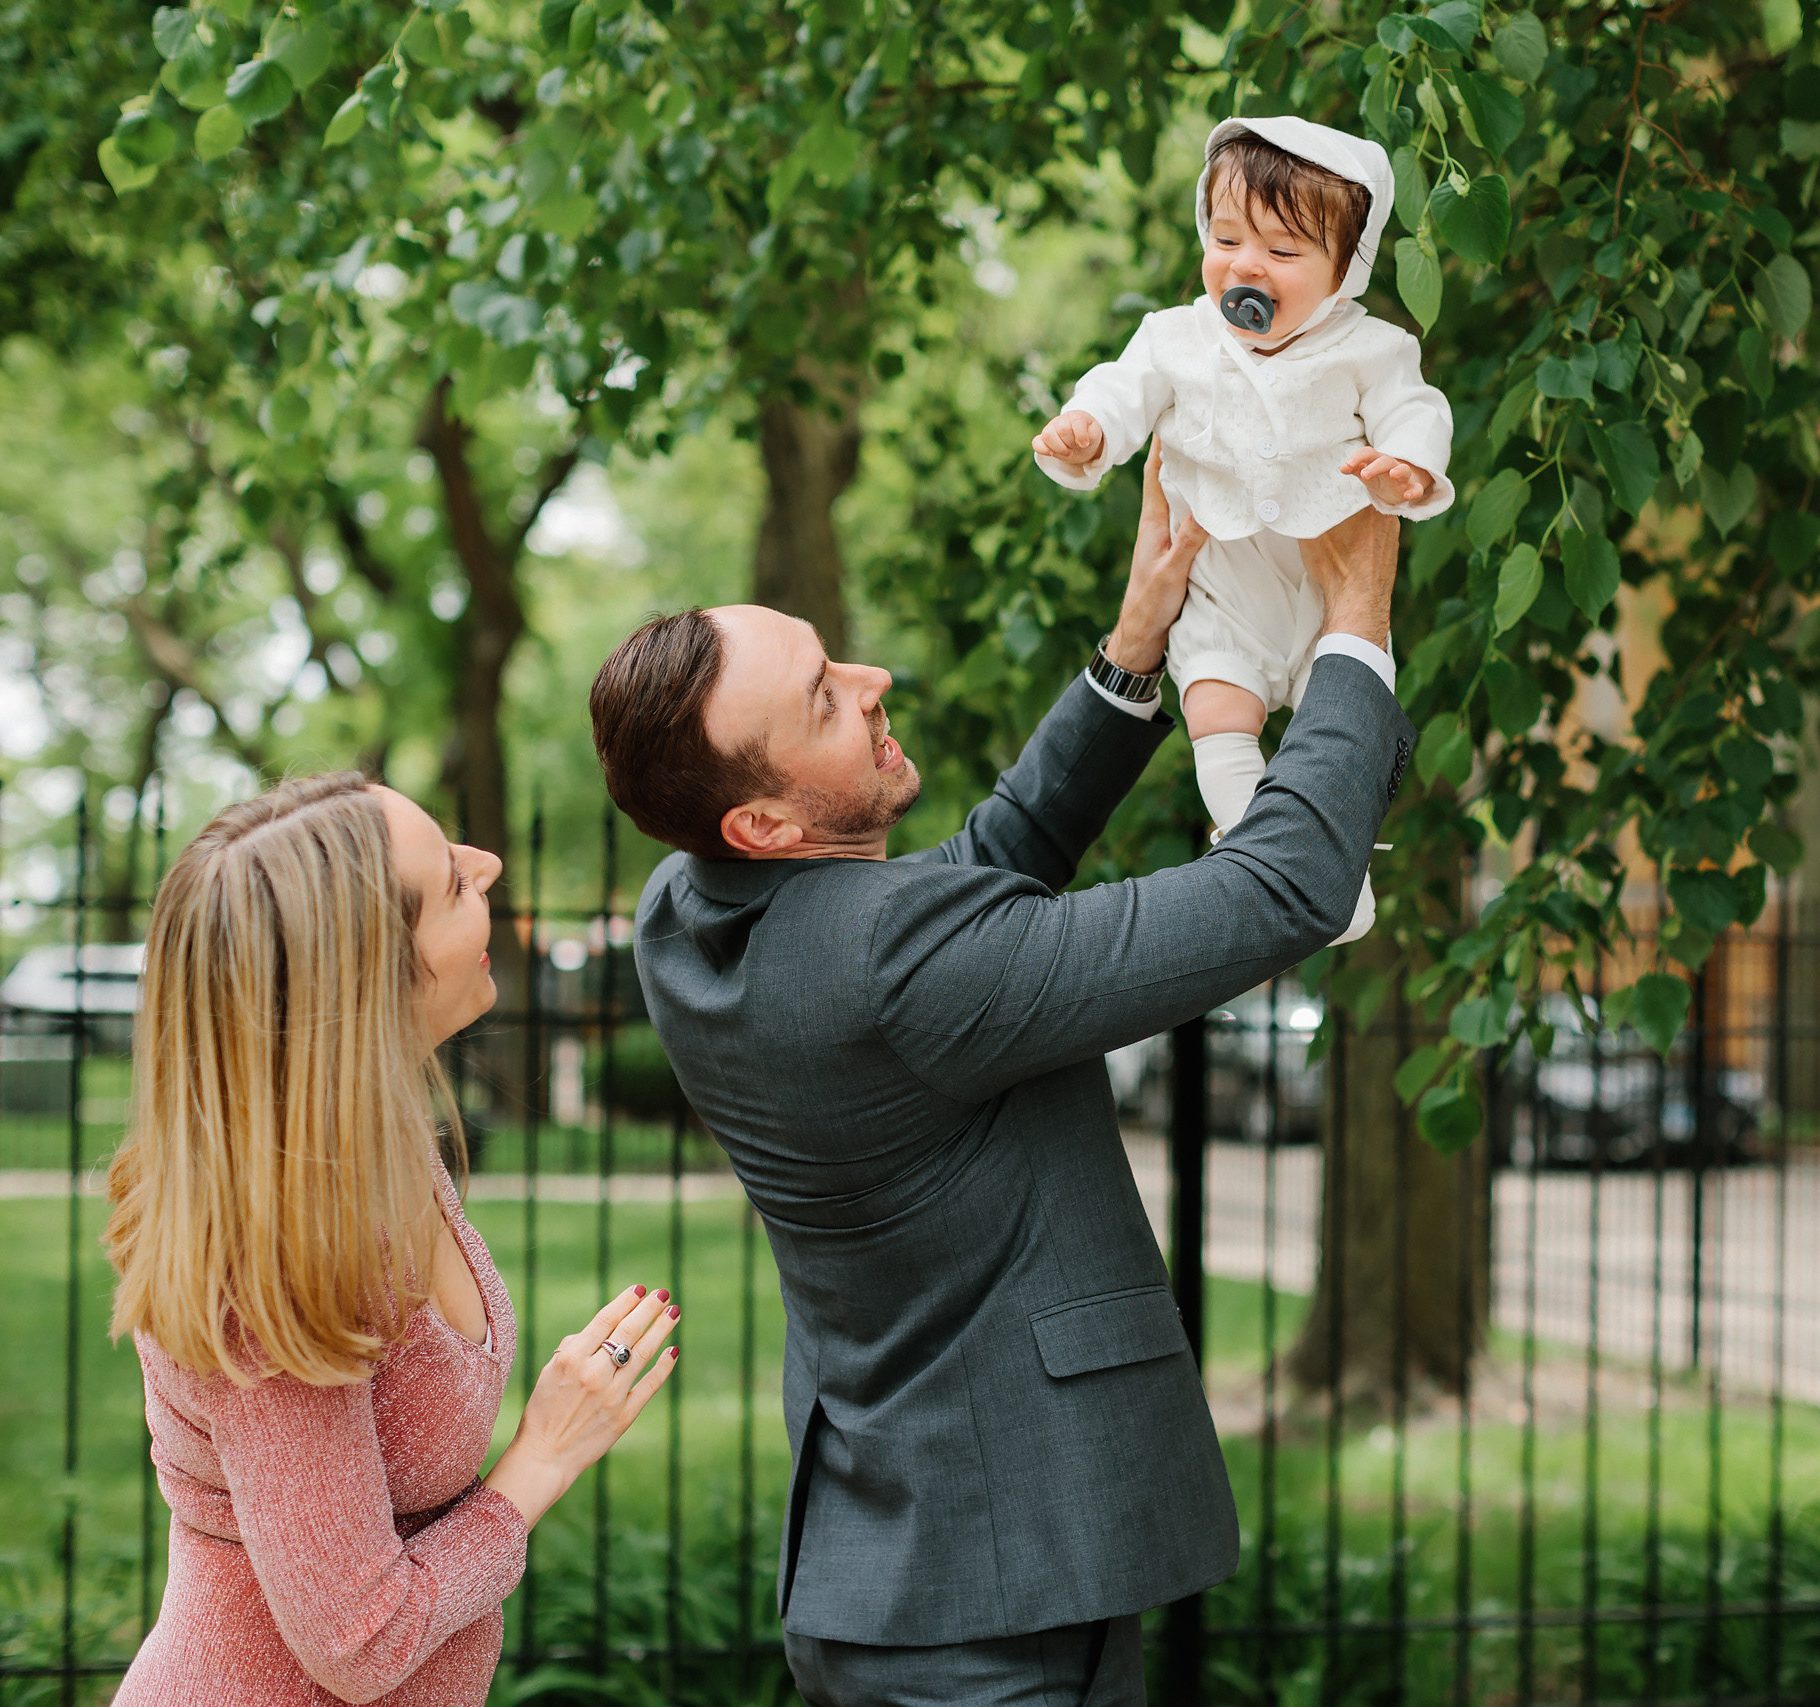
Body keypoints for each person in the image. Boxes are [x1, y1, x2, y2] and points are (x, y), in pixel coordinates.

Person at [586, 444, 1413, 1707]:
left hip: (908, 1575)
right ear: (764, 826)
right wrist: (1356, 625)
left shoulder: (686, 913)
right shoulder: (894, 968)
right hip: (994, 1616)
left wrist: (1134, 644)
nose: (869, 682)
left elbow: (975, 874)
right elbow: (1279, 888)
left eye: (833, 656)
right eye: (822, 699)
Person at [105, 773, 681, 1706]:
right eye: (452, 881)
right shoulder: (272, 1267)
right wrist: (543, 1454)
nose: (486, 864)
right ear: (372, 977)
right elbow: (361, 1639)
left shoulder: (376, 1140)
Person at [1031, 115, 1455, 944]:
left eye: (1283, 252)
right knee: (1216, 718)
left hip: (1323, 585)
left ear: (1346, 269)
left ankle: (1339, 861)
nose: (1245, 265)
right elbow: (1121, 389)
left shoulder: (1371, 346)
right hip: (1221, 586)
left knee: (1347, 733)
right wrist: (1087, 428)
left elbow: (1415, 408)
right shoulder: (1177, 336)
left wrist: (1407, 463)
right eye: (1225, 237)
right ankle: (1271, 859)